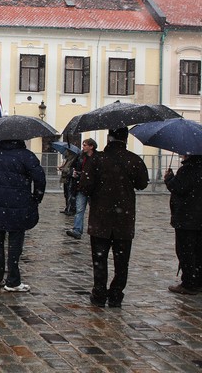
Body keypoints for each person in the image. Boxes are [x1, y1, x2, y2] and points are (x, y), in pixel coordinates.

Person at [78, 127, 149, 307]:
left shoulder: (97, 160)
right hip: (123, 219)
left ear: (108, 138)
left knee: (99, 259)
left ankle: (99, 293)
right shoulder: (134, 159)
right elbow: (142, 184)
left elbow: (85, 187)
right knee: (121, 261)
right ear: (125, 139)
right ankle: (116, 294)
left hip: (100, 219)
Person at [0, 138, 46, 292]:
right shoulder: (26, 155)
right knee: (15, 241)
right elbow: (40, 178)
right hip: (18, 203)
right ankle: (12, 280)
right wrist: (36, 198)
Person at [164, 154, 202, 295]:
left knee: (186, 251)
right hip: (198, 218)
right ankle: (198, 280)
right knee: (198, 251)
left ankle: (189, 283)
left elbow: (179, 188)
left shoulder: (187, 169)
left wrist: (169, 179)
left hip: (187, 218)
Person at [65, 138, 98, 239]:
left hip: (93, 189)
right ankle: (77, 229)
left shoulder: (97, 158)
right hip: (81, 187)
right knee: (79, 209)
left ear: (91, 146)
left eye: (85, 145)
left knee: (95, 210)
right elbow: (70, 167)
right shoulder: (80, 156)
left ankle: (95, 230)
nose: (83, 147)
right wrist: (73, 173)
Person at [58, 147, 79, 215]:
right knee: (66, 194)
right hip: (66, 179)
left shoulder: (73, 159)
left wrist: (63, 169)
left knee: (70, 194)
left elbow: (69, 169)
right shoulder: (67, 159)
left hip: (69, 179)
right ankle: (67, 208)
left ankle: (71, 209)